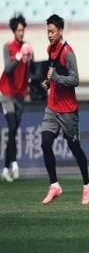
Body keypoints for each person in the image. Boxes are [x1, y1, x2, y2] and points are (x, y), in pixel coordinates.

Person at [40, 14, 89, 205]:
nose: (49, 35)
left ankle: (87, 184)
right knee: (45, 143)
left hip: (68, 110)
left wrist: (56, 78)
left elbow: (75, 79)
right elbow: (53, 73)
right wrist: (48, 82)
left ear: (61, 31)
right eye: (48, 31)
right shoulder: (50, 49)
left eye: (52, 31)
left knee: (74, 147)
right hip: (52, 107)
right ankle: (54, 185)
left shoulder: (68, 52)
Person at [0, 14, 33, 182]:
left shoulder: (27, 48)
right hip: (7, 93)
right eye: (18, 30)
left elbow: (31, 71)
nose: (21, 32)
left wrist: (29, 59)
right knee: (12, 127)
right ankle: (13, 164)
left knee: (13, 132)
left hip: (20, 95)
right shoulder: (8, 47)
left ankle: (6, 168)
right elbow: (8, 68)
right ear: (14, 31)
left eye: (23, 30)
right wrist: (19, 56)